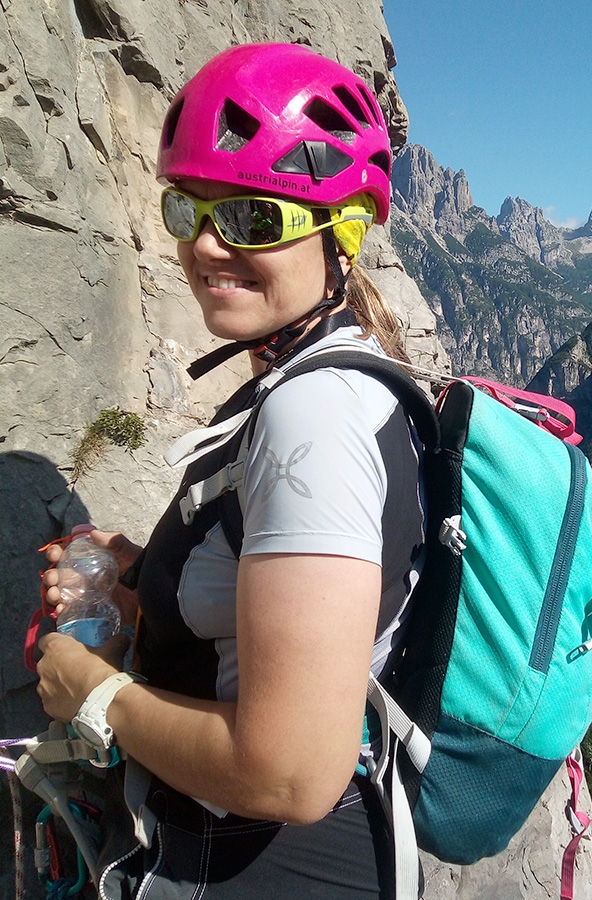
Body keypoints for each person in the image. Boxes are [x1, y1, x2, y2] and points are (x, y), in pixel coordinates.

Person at [35, 42, 425, 899]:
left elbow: (290, 774)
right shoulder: (313, 380)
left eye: (253, 219)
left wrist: (93, 692)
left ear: (343, 234)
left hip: (270, 869)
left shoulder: (313, 416)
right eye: (189, 209)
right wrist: (148, 571)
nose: (208, 245)